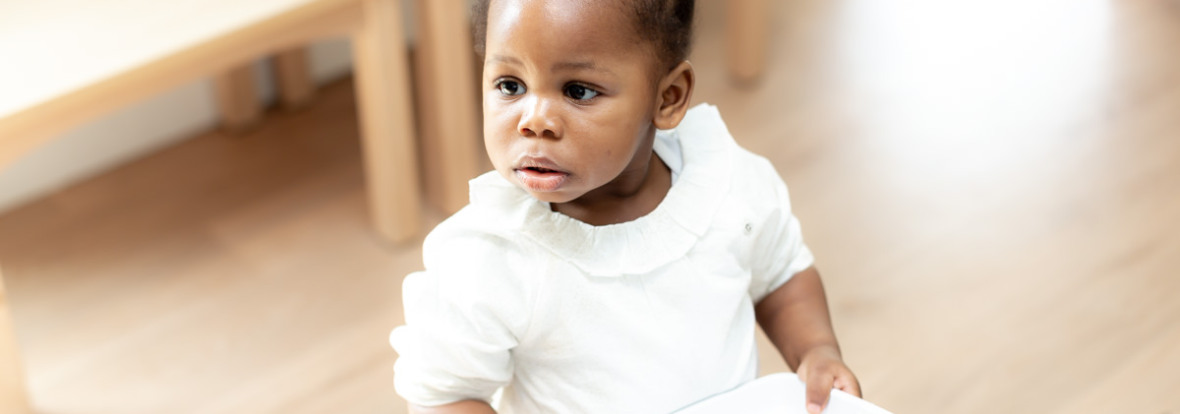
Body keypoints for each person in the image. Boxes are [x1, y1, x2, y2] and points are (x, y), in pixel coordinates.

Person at [390, 0, 860, 413]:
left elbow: (781, 275)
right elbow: (443, 393)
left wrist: (816, 349)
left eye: (577, 90)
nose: (533, 121)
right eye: (510, 85)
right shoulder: (491, 255)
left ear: (668, 98)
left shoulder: (725, 187)